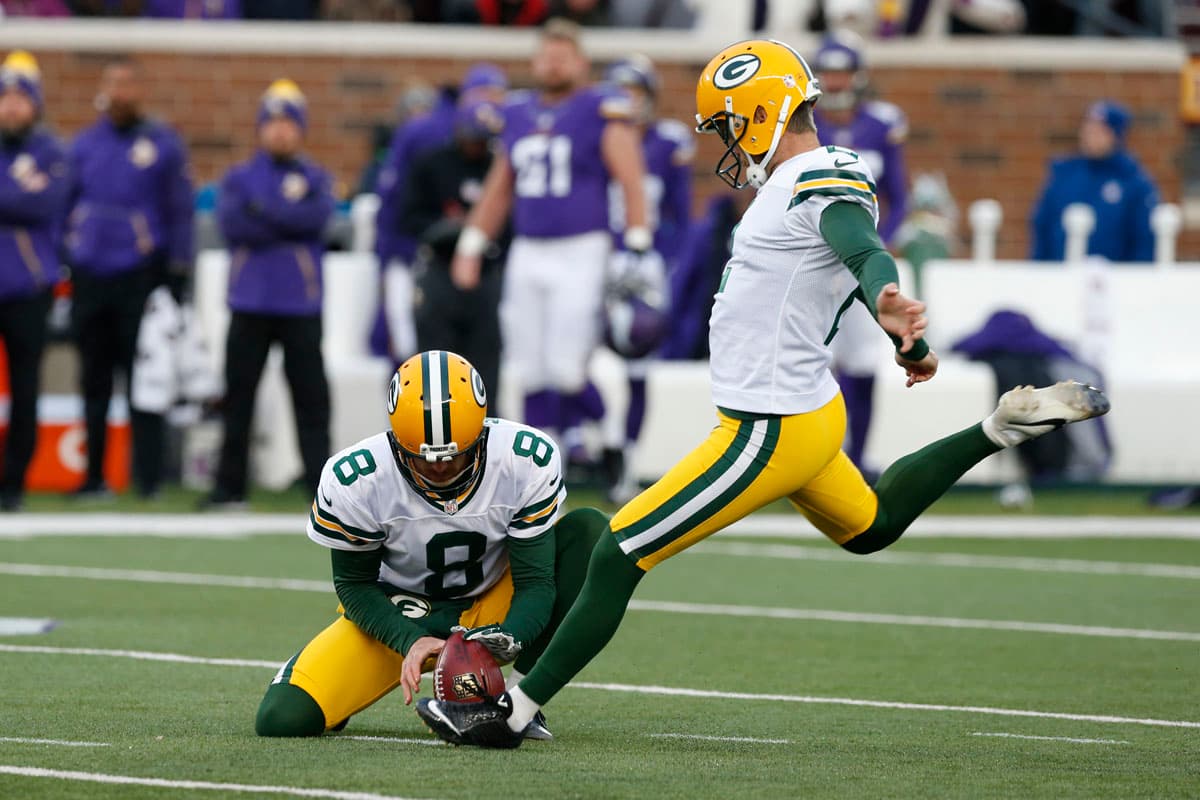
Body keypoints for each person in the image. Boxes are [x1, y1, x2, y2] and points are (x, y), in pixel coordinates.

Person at [416, 38, 1111, 748]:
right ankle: (998, 428)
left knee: (619, 552)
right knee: (870, 526)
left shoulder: (821, 172)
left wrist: (887, 299)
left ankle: (516, 710)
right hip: (802, 410)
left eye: (725, 124)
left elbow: (860, 243)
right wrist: (894, 318)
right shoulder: (790, 180)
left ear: (757, 113)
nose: (724, 141)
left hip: (768, 426)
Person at [255, 350, 607, 738]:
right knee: (282, 719)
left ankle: (518, 703)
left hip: (490, 600)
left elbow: (538, 583)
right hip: (401, 612)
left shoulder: (523, 459)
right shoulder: (358, 479)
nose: (439, 468)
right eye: (423, 459)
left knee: (587, 533)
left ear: (480, 433)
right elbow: (354, 586)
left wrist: (507, 639)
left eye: (454, 457)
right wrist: (411, 639)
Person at [450, 19, 649, 465]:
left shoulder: (600, 106)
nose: (553, 65)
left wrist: (637, 243)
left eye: (563, 57)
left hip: (582, 246)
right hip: (528, 247)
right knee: (529, 366)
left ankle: (614, 440)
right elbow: (501, 185)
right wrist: (471, 244)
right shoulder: (518, 112)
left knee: (565, 366)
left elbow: (631, 178)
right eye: (547, 56)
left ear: (580, 62)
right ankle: (542, 459)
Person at [64, 56, 193, 499]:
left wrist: (178, 269)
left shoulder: (163, 145)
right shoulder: (83, 146)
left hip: (141, 278)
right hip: (91, 275)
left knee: (147, 381)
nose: (120, 93)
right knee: (94, 381)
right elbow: (65, 207)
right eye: (113, 84)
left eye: (128, 85)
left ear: (141, 91)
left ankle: (149, 480)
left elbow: (180, 211)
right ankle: (93, 477)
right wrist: (71, 253)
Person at [204, 80, 334, 507]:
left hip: (300, 303)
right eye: (273, 123)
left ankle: (323, 490)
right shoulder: (240, 177)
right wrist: (283, 216)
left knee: (311, 399)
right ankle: (229, 488)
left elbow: (315, 219)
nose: (280, 132)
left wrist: (265, 210)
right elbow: (233, 226)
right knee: (238, 398)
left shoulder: (315, 176)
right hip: (250, 301)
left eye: (288, 124)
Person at [812, 31, 910, 476]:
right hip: (814, 258)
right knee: (816, 359)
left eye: (841, 72)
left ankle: (856, 456)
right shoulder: (805, 125)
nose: (834, 82)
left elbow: (899, 197)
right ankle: (818, 456)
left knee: (863, 360)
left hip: (861, 262)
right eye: (827, 73)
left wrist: (877, 244)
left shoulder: (882, 123)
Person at [601, 54, 693, 503]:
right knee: (570, 364)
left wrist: (666, 265)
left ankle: (628, 461)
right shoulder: (596, 138)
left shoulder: (666, 144)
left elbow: (680, 212)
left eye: (635, 92)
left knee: (639, 366)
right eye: (621, 92)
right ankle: (593, 438)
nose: (628, 102)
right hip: (598, 259)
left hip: (647, 263)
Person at [373, 64, 508, 365]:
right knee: (414, 353)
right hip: (419, 256)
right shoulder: (427, 131)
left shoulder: (499, 137)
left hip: (478, 267)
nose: (491, 104)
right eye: (486, 95)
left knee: (478, 356)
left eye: (498, 97)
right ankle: (404, 413)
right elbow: (396, 203)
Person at [399, 97, 507, 397]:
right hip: (440, 268)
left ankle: (484, 431)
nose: (475, 146)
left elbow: (509, 220)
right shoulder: (432, 163)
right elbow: (408, 217)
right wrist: (447, 229)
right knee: (434, 364)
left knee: (485, 361)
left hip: (484, 272)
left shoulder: (495, 167)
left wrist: (480, 234)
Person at [0, 51, 69, 511]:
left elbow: (43, 205)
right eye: (4, 96)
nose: (11, 106)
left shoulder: (51, 152)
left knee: (25, 388)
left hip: (28, 287)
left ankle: (13, 484)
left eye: (20, 98)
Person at [1030, 101, 1158, 263]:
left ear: (1115, 136)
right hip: (1060, 276)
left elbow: (1143, 239)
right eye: (1088, 129)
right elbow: (1043, 226)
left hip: (1113, 280)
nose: (1091, 136)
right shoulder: (1064, 174)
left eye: (1100, 131)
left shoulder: (1133, 181)